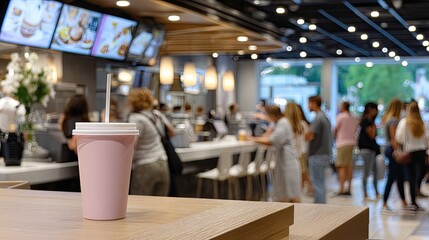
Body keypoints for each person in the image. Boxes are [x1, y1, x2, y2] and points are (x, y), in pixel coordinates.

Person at [248, 105, 301, 202]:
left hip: (287, 163)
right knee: (287, 194)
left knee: (291, 195)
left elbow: (272, 141)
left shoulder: (283, 123)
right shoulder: (280, 123)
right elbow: (270, 137)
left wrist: (252, 139)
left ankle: (294, 216)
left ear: (272, 114)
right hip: (284, 162)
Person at [127, 88, 174, 196]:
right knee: (160, 205)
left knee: (141, 204)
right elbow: (172, 132)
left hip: (145, 165)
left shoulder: (136, 118)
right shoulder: (156, 114)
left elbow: (132, 145)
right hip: (162, 162)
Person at [396, 101, 429, 211]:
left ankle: (412, 202)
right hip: (421, 152)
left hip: (409, 153)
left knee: (411, 177)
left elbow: (399, 138)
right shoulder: (422, 123)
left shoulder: (404, 123)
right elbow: (427, 139)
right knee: (418, 175)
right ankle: (416, 194)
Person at [305, 95, 332, 204]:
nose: (308, 106)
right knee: (320, 182)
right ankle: (320, 206)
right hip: (324, 154)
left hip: (317, 154)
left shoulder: (318, 119)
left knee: (317, 183)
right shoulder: (325, 117)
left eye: (309, 103)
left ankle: (319, 208)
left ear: (314, 103)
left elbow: (309, 135)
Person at [381, 99, 407, 211]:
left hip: (389, 148)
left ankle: (403, 201)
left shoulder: (387, 119)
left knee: (398, 175)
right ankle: (385, 202)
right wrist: (397, 151)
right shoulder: (394, 120)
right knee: (392, 176)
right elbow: (394, 139)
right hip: (393, 149)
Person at [285, 102, 312, 194]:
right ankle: (307, 188)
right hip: (301, 152)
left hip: (295, 154)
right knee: (302, 172)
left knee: (301, 173)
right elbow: (307, 137)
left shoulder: (287, 125)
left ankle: (307, 188)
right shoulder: (302, 124)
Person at [334, 101, 359, 196]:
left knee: (341, 166)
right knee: (349, 166)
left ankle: (341, 188)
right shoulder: (353, 117)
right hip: (351, 142)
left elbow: (335, 129)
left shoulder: (341, 116)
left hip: (342, 143)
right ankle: (349, 188)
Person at [358, 102, 380, 199]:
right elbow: (372, 135)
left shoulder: (369, 121)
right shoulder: (366, 121)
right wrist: (374, 127)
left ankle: (374, 190)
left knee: (374, 171)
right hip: (366, 150)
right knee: (367, 171)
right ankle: (365, 192)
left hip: (371, 149)